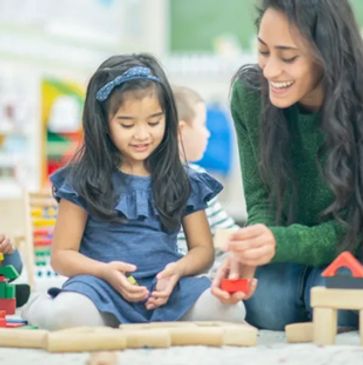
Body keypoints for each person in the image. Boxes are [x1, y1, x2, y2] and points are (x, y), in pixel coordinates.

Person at [22, 53, 245, 330]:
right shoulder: (82, 178)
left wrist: (179, 270)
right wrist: (103, 271)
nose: (142, 135)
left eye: (154, 122)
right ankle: (38, 306)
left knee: (232, 310)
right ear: (103, 123)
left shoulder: (183, 178)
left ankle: (135, 318)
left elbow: (202, 250)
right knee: (65, 316)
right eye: (127, 125)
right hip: (100, 286)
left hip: (167, 289)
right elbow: (62, 255)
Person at [212, 0, 363, 330]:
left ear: (328, 54)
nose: (269, 71)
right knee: (268, 305)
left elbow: (356, 226)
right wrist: (252, 248)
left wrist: (280, 243)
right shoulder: (250, 95)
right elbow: (262, 201)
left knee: (330, 295)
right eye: (263, 51)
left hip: (352, 251)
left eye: (288, 56)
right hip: (289, 255)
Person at [173, 85, 241, 271]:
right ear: (181, 131)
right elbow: (229, 236)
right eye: (203, 124)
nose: (207, 133)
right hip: (195, 276)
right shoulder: (196, 179)